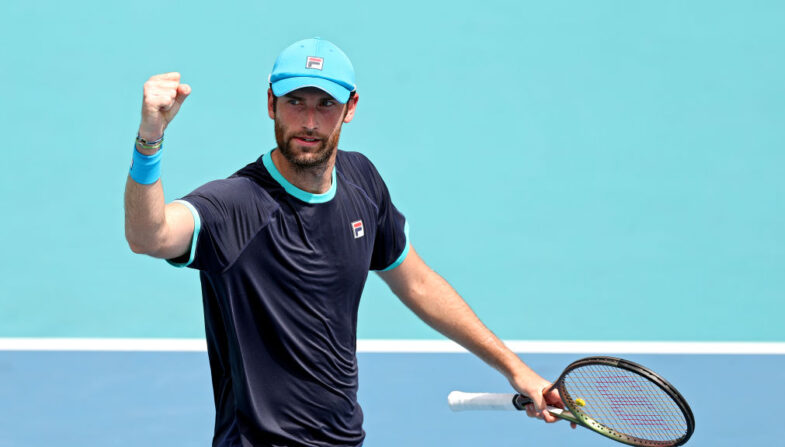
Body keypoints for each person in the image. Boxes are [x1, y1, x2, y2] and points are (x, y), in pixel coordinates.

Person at [124, 37, 568, 447]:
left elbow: (417, 283)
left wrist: (517, 369)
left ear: (350, 107)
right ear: (271, 104)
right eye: (295, 102)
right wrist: (150, 141)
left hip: (343, 438)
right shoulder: (236, 205)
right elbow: (150, 236)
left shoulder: (361, 182)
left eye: (325, 104)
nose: (309, 121)